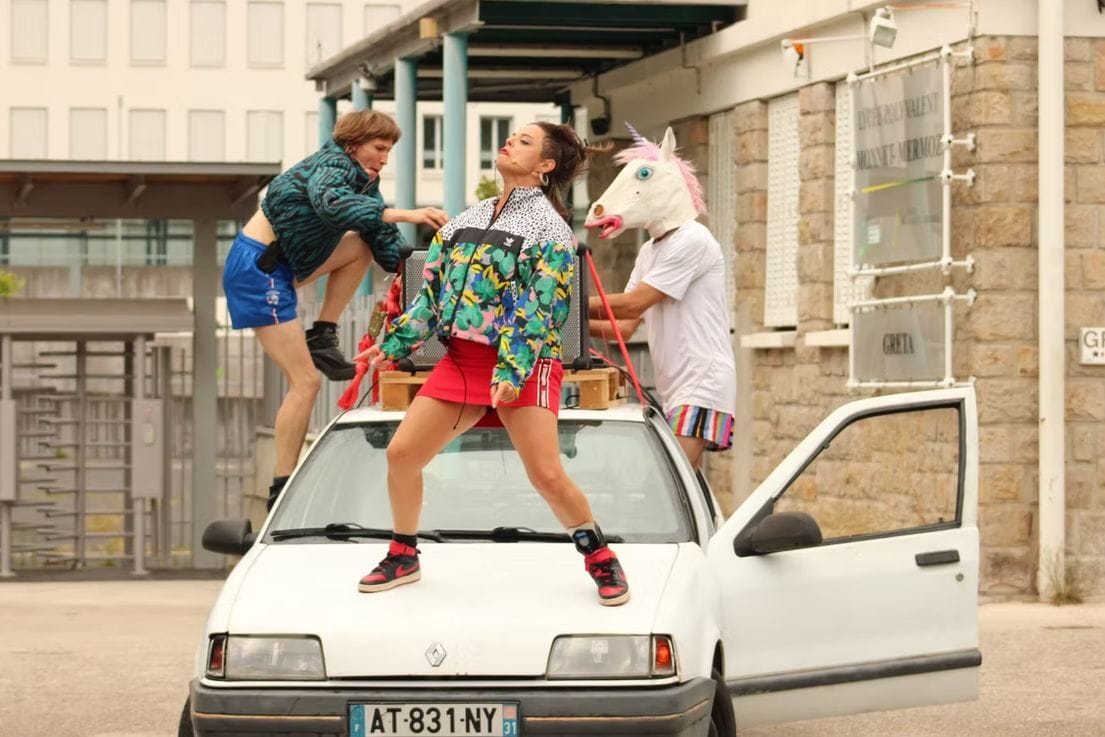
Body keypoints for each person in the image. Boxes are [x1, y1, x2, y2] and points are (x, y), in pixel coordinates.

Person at [356, 122, 630, 607]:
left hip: (525, 362)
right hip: (462, 360)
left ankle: (599, 556)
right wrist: (393, 345)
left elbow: (539, 308)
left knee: (546, 475)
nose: (509, 143)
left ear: (545, 165)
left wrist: (511, 371)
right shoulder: (469, 217)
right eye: (513, 137)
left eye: (524, 142)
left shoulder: (550, 229)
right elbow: (432, 294)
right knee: (401, 455)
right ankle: (403, 554)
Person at [222, 110, 448, 510]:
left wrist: (429, 271)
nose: (384, 159)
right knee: (305, 383)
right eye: (379, 148)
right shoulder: (330, 166)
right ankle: (280, 486)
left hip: (285, 267)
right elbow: (334, 207)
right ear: (353, 144)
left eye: (390, 151)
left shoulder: (364, 180)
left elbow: (382, 237)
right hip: (259, 269)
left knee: (361, 247)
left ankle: (322, 334)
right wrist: (407, 213)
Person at [584, 126, 736, 470]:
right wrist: (567, 323)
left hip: (702, 383)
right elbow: (623, 327)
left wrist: (566, 304)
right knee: (681, 486)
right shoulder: (650, 251)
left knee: (666, 479)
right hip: (677, 389)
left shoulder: (693, 239)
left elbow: (635, 303)